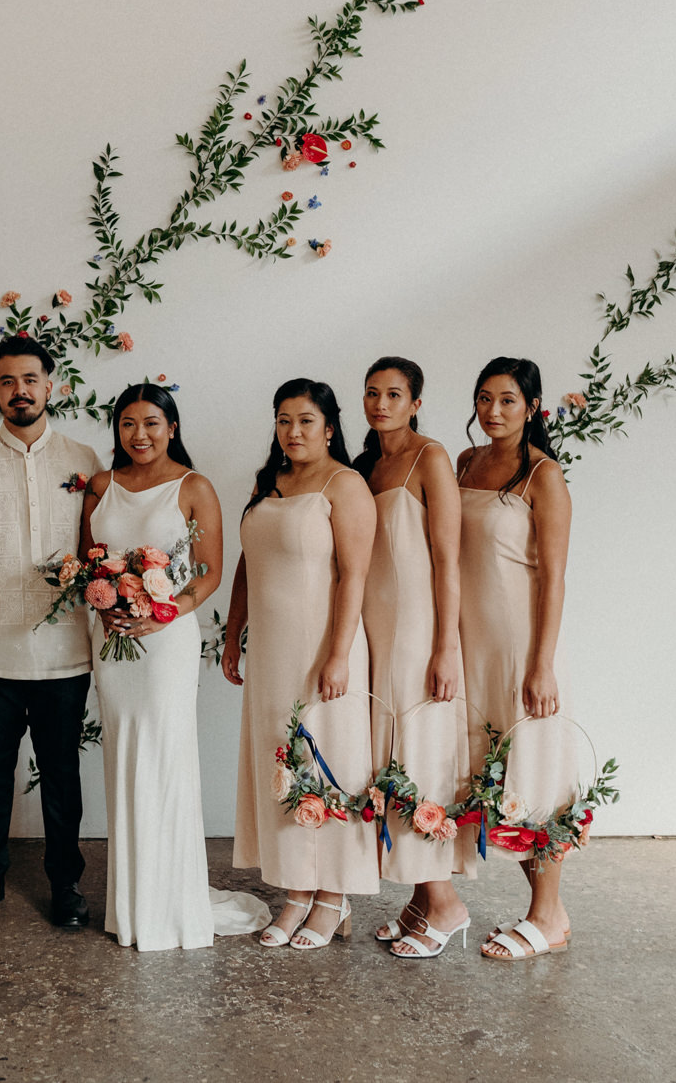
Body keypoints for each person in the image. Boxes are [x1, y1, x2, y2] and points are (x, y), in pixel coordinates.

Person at [81, 383, 267, 950]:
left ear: (173, 427)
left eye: (152, 423)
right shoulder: (98, 487)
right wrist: (106, 602)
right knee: (124, 758)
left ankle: (170, 900)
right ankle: (132, 903)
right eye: (128, 424)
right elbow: (89, 563)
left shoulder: (194, 487)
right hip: (114, 645)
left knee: (164, 757)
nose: (140, 435)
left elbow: (209, 571)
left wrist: (165, 612)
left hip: (165, 644)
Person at [0, 337, 100, 929]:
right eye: (7, 381)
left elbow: (99, 552)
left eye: (30, 379)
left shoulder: (84, 461)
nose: (20, 391)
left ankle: (66, 884)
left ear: (51, 386)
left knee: (62, 774)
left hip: (65, 653)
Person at [225, 379, 380, 949]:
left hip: (323, 647)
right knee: (281, 763)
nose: (293, 431)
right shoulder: (271, 483)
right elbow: (248, 561)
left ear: (330, 427)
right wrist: (233, 633)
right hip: (271, 649)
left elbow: (356, 576)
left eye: (306, 421)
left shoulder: (346, 485)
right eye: (283, 420)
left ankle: (333, 898)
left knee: (327, 761)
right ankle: (295, 892)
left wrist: (339, 654)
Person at [453, 357, 577, 962]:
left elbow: (554, 577)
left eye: (507, 400)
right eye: (484, 398)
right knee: (494, 774)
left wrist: (542, 663)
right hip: (467, 643)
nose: (492, 411)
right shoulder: (466, 463)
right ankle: (545, 910)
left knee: (534, 771)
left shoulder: (543, 475)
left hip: (518, 643)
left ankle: (547, 914)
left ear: (531, 407)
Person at [355, 357, 471, 960]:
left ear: (416, 401)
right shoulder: (366, 465)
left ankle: (447, 903)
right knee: (386, 753)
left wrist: (446, 645)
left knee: (416, 754)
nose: (381, 404)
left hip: (419, 629)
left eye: (394, 394)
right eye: (372, 393)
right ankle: (423, 898)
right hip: (374, 632)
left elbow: (448, 558)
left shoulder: (431, 457)